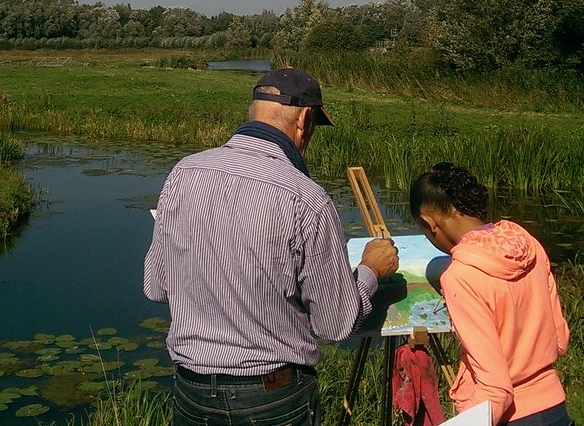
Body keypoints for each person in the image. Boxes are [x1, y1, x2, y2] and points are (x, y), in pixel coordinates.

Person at [144, 67, 399, 426]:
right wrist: (371, 270)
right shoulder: (307, 200)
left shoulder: (184, 173)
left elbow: (155, 286)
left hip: (192, 392)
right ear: (304, 121)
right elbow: (335, 324)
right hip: (272, 399)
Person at [409, 163, 571, 426]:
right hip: (554, 408)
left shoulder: (460, 277)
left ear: (429, 222)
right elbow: (559, 338)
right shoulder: (528, 244)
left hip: (508, 418)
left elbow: (496, 390)